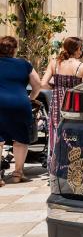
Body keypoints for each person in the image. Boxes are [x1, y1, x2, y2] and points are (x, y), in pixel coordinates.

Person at [0, 36, 42, 186]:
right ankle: (18, 173)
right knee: (21, 139)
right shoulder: (24, 64)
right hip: (19, 103)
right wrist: (30, 98)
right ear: (14, 49)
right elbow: (37, 84)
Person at [43, 37, 83, 169]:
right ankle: (73, 164)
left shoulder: (54, 64)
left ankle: (55, 165)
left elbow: (43, 83)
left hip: (57, 103)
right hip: (73, 104)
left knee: (56, 131)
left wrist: (56, 87)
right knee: (73, 133)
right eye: (81, 48)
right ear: (77, 49)